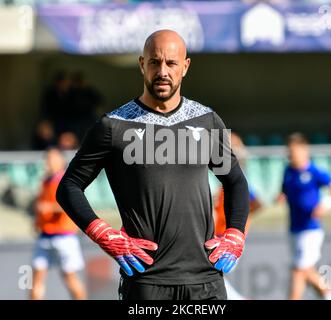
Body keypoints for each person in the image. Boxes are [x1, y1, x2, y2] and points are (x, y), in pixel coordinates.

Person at [56, 30, 250, 300]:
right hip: (146, 282)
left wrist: (235, 234)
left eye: (171, 63)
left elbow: (236, 181)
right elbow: (69, 186)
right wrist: (106, 236)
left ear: (185, 66)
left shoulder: (207, 120)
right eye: (154, 62)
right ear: (141, 64)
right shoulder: (113, 126)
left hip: (206, 279)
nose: (163, 71)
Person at [276, 133, 331, 300]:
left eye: (294, 151)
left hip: (311, 229)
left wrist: (325, 205)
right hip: (294, 229)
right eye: (289, 151)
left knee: (299, 270)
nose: (291, 155)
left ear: (305, 150)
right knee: (307, 271)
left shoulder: (315, 171)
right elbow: (284, 191)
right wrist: (281, 196)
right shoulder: (288, 171)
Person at [31, 148, 87, 300]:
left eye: (51, 159)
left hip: (64, 236)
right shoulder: (46, 181)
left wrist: (49, 208)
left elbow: (73, 205)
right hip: (45, 235)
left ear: (61, 162)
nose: (47, 162)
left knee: (70, 277)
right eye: (47, 159)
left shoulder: (65, 181)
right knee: (36, 279)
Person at [213, 132, 262, 300]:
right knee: (214, 274)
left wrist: (242, 226)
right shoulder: (223, 184)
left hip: (228, 236)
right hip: (218, 234)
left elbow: (256, 204)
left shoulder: (240, 183)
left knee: (212, 272)